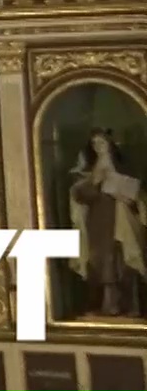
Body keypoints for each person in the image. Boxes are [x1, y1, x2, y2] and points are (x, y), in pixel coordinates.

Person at [69, 129, 147, 317]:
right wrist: (96, 180)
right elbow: (80, 195)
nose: (98, 148)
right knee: (103, 262)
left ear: (110, 145)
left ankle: (132, 306)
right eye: (95, 144)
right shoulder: (87, 170)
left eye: (102, 143)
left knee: (126, 260)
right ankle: (108, 304)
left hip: (122, 219)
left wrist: (127, 197)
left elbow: (137, 195)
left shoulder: (123, 168)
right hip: (100, 221)